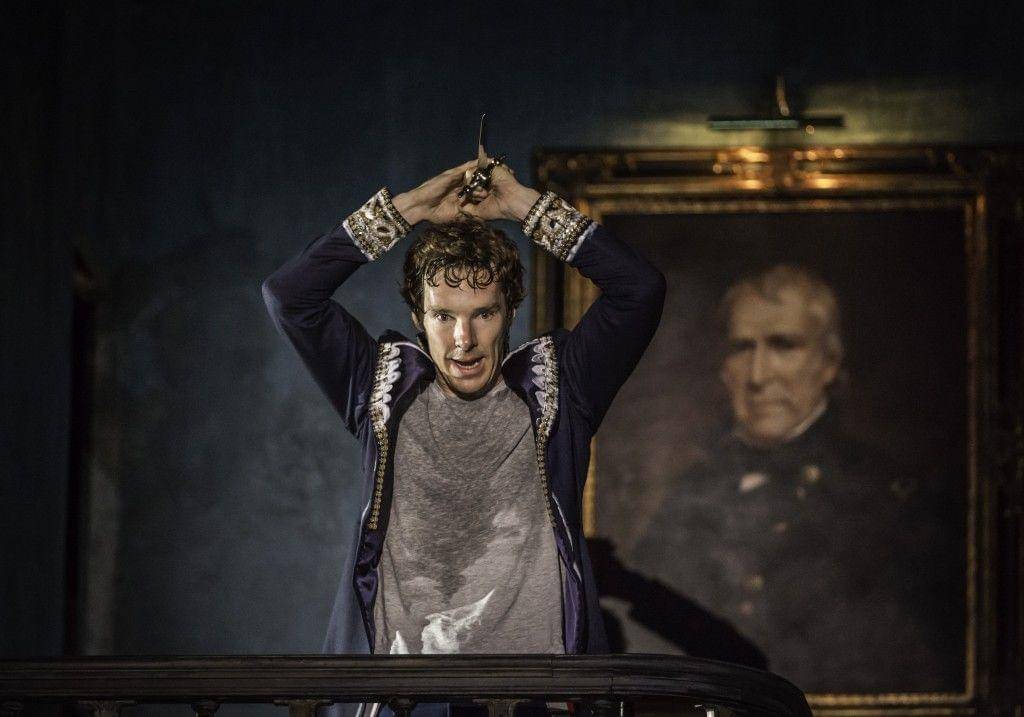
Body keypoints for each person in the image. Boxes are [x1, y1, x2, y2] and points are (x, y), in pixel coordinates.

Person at [262, 157, 665, 669]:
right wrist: (409, 209)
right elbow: (289, 295)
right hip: (405, 694)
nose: (463, 339)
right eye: (443, 315)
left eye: (483, 314)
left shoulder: (562, 386)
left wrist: (524, 206)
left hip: (535, 694)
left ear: (510, 312)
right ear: (418, 317)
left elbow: (640, 289)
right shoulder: (379, 384)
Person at [633, 264, 962, 693]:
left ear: (829, 363)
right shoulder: (686, 495)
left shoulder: (887, 498)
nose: (758, 375)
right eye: (742, 348)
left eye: (783, 346)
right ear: (723, 369)